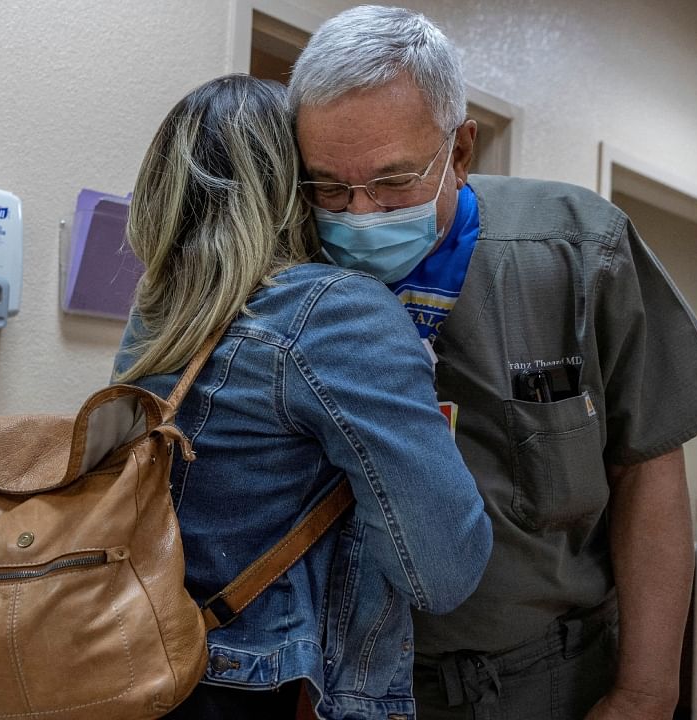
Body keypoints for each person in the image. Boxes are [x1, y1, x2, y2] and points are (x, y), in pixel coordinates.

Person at [288, 7, 697, 720]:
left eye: (394, 181)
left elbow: (649, 465)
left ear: (461, 150)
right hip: (346, 679)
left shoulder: (578, 252)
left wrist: (647, 692)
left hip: (549, 678)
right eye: (331, 188)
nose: (361, 215)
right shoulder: (297, 277)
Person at [112, 74, 493, 720]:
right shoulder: (332, 311)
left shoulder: (154, 319)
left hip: (149, 668)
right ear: (293, 186)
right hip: (275, 693)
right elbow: (444, 570)